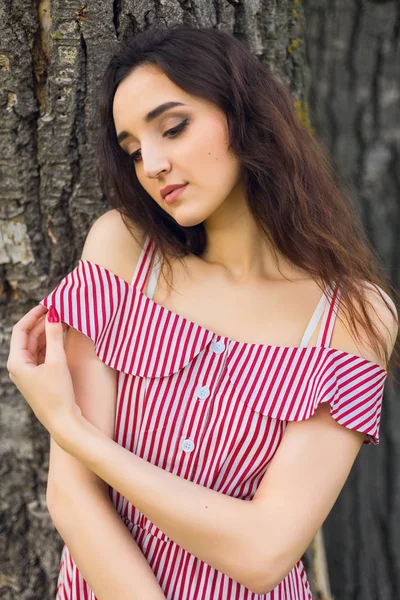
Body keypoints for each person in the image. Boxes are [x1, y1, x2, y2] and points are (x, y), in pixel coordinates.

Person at [7, 23, 399, 600]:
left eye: (174, 127)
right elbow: (73, 498)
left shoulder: (355, 313)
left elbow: (264, 551)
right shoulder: (122, 252)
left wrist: (70, 430)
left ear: (242, 114)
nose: (154, 164)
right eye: (134, 150)